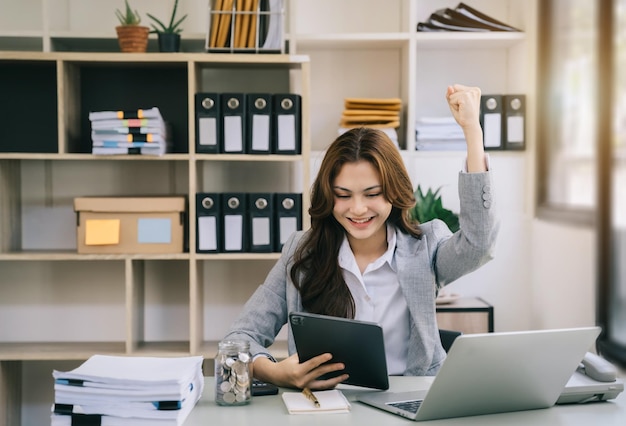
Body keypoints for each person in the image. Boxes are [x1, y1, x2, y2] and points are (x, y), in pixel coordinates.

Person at [222, 84, 499, 390]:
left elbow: (479, 244)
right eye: (343, 195)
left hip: (413, 397)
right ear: (329, 196)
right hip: (327, 405)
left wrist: (473, 132)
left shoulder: (425, 246)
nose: (357, 209)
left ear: (394, 192)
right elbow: (239, 339)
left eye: (372, 194)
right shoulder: (302, 253)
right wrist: (275, 372)